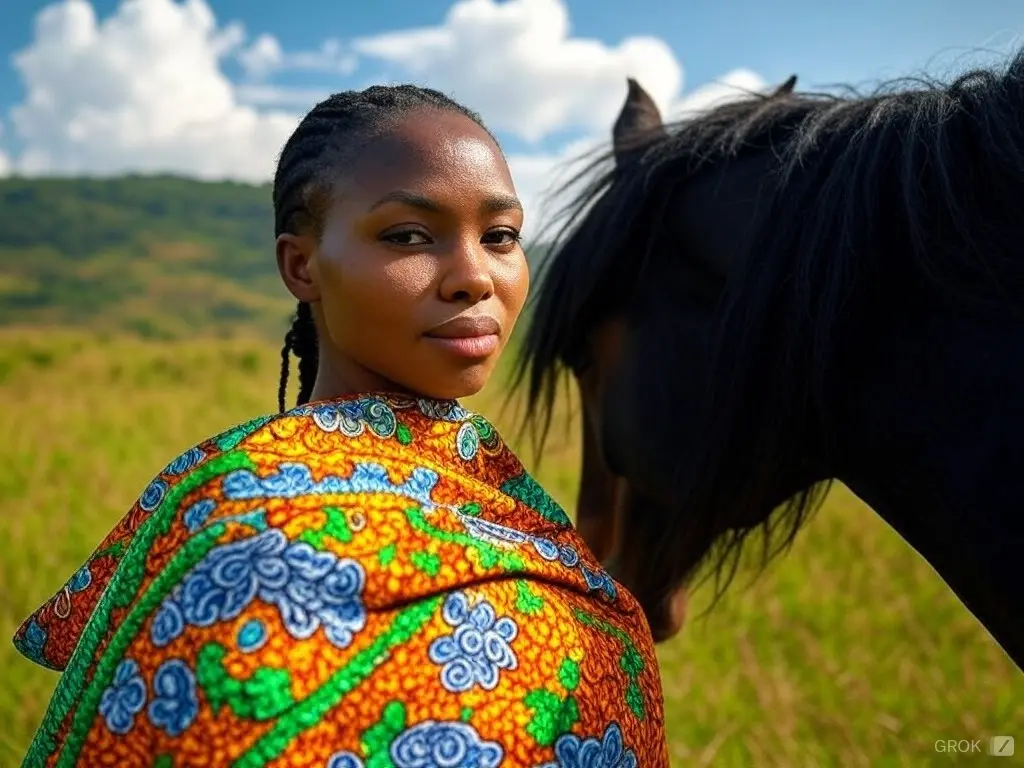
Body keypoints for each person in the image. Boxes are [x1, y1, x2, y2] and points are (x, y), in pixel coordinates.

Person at [14, 85, 668, 767]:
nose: (475, 276)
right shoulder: (246, 525)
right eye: (408, 236)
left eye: (500, 236)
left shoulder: (517, 512)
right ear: (302, 266)